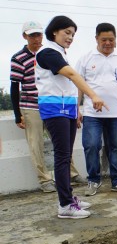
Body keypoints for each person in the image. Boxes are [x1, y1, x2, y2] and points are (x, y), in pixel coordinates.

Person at [35, 15, 106, 218]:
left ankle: (68, 198)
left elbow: (67, 87)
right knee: (62, 156)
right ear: (54, 31)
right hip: (54, 110)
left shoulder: (60, 53)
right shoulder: (48, 52)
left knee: (66, 157)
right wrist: (93, 95)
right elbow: (73, 76)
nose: (70, 37)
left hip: (66, 110)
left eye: (73, 34)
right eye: (67, 32)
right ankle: (64, 205)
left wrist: (76, 111)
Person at [10, 20, 87, 193]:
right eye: (32, 35)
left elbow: (67, 83)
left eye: (38, 34)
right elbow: (15, 86)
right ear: (25, 36)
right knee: (36, 143)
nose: (36, 38)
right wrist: (17, 114)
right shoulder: (18, 58)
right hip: (31, 105)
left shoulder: (54, 52)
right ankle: (44, 180)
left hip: (56, 105)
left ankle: (71, 174)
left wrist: (75, 108)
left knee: (63, 143)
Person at [76, 22, 117, 196]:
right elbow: (78, 85)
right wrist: (76, 109)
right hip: (91, 114)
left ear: (116, 39)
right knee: (91, 145)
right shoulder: (86, 58)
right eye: (104, 39)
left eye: (111, 39)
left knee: (116, 147)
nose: (108, 43)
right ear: (96, 39)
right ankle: (93, 180)